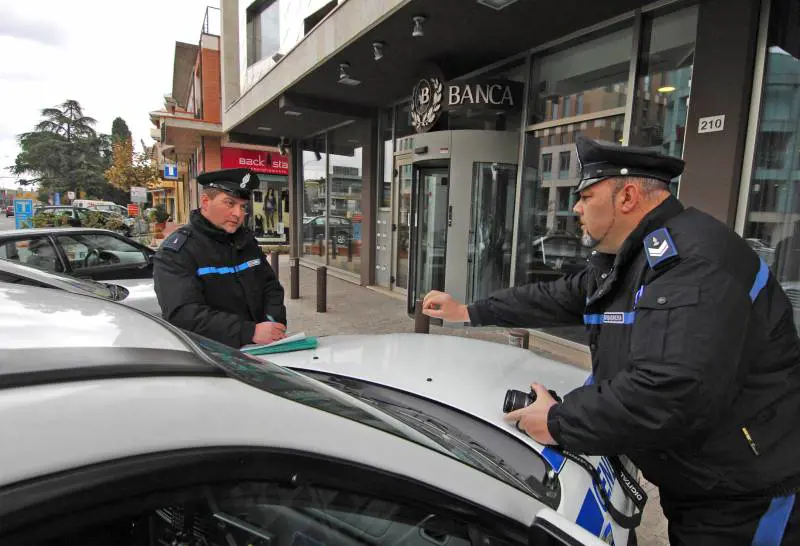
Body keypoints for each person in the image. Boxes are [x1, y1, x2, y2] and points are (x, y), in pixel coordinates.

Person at [423, 136, 800, 544]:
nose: (576, 207)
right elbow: (555, 297)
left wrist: (557, 421)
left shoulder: (693, 264)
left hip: (748, 494)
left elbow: (668, 392)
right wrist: (469, 311)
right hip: (704, 479)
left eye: (586, 196)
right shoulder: (633, 258)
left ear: (628, 197)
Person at [153, 167, 287, 349]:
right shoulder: (177, 252)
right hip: (211, 356)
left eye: (243, 207)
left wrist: (272, 322)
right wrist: (249, 332)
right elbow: (183, 314)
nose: (238, 214)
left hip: (261, 350)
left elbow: (271, 287)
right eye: (230, 203)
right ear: (205, 202)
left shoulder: (245, 242)